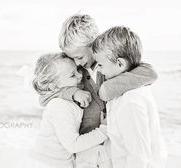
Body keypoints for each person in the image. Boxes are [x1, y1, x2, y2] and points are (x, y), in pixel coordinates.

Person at [40, 14, 158, 168]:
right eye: (73, 58)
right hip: (85, 146)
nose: (77, 63)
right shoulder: (74, 70)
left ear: (93, 43)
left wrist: (108, 88)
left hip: (110, 144)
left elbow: (150, 73)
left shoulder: (110, 64)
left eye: (80, 56)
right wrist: (72, 93)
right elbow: (45, 96)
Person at [93, 26, 167, 168]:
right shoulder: (120, 92)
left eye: (101, 65)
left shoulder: (131, 102)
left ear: (120, 63)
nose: (99, 71)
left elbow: (139, 158)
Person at [29, 52, 108, 168]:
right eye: (72, 75)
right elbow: (73, 145)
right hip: (48, 163)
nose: (80, 75)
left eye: (77, 70)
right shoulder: (59, 106)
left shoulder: (67, 99)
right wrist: (104, 130)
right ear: (53, 87)